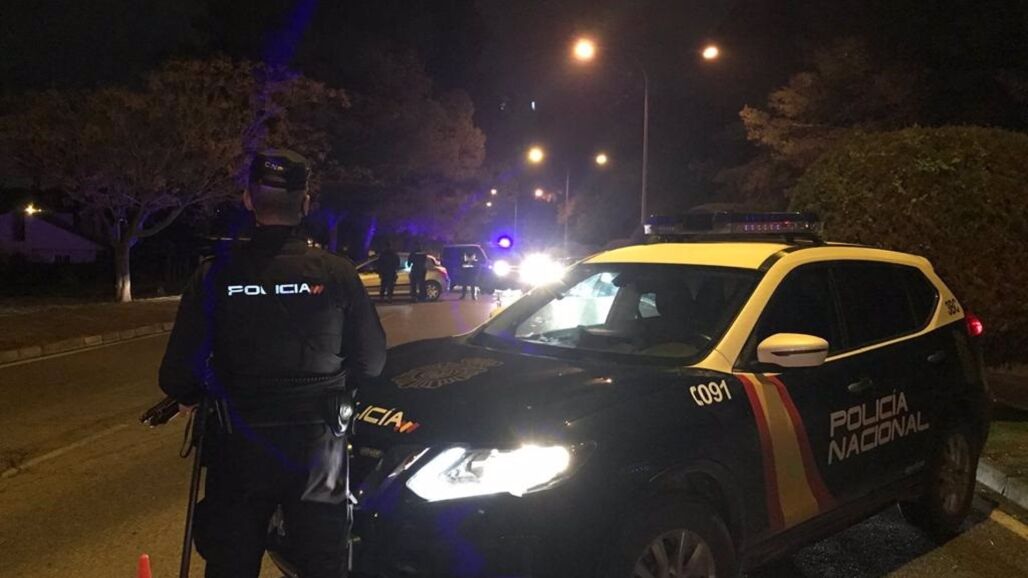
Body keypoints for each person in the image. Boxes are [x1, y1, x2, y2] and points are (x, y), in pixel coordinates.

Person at [158, 148, 387, 578]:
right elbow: (371, 362)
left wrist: (194, 392)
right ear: (305, 202)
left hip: (238, 446)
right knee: (322, 564)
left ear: (248, 199)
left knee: (230, 562)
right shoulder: (338, 273)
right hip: (318, 448)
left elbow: (177, 375)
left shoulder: (214, 274)